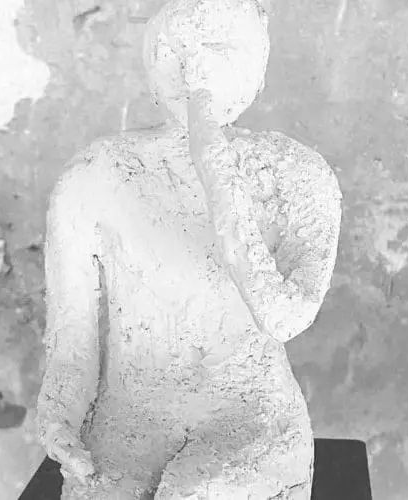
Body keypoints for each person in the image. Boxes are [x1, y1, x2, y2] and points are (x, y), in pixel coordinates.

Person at [34, 1, 342, 497]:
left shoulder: (297, 176)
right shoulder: (93, 176)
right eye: (172, 50)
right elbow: (73, 343)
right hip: (128, 419)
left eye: (217, 48)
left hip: (250, 416)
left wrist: (216, 166)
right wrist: (59, 416)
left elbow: (283, 316)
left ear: (258, 64)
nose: (193, 69)